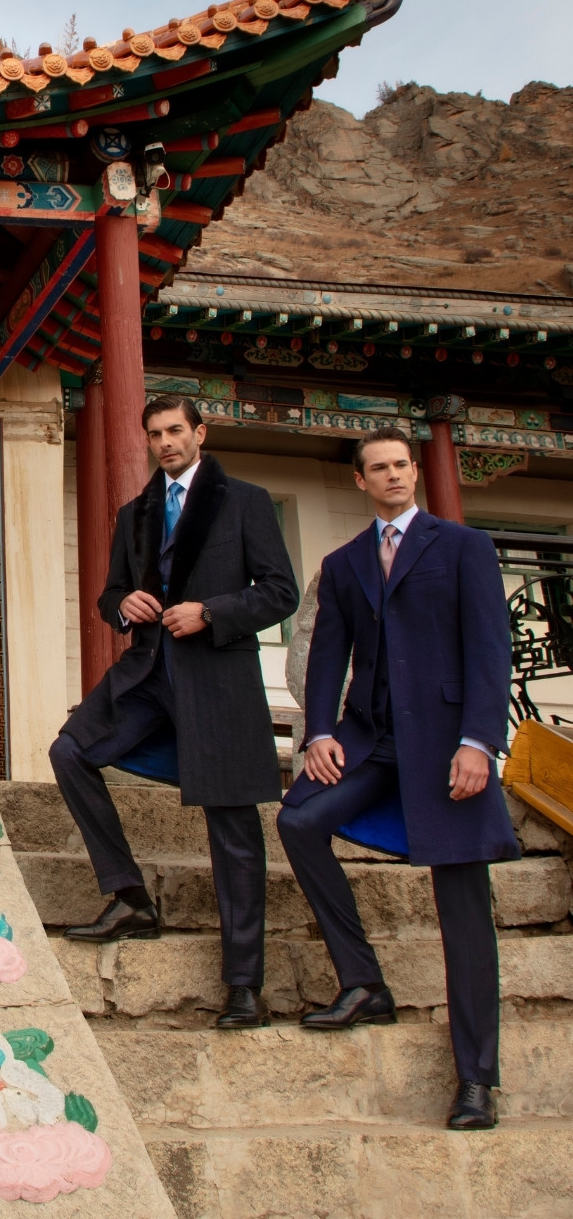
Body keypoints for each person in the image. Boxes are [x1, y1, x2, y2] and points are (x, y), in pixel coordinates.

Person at [277, 426, 518, 1130]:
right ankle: (363, 982)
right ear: (361, 480)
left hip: (447, 747)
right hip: (371, 741)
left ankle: (476, 1080)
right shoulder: (345, 562)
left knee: (463, 910)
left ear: (415, 471)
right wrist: (320, 731)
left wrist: (479, 742)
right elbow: (328, 654)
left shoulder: (463, 547)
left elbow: (490, 649)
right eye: (378, 468)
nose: (393, 476)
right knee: (299, 820)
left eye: (401, 465)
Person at [49, 394, 299, 1029]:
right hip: (147, 672)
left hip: (217, 678)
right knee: (69, 750)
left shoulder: (245, 501)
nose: (165, 442)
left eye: (175, 431)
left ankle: (244, 985)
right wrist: (121, 605)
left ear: (199, 433)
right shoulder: (135, 512)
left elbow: (280, 592)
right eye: (155, 433)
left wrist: (211, 611)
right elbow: (110, 593)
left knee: (233, 828)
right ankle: (129, 896)